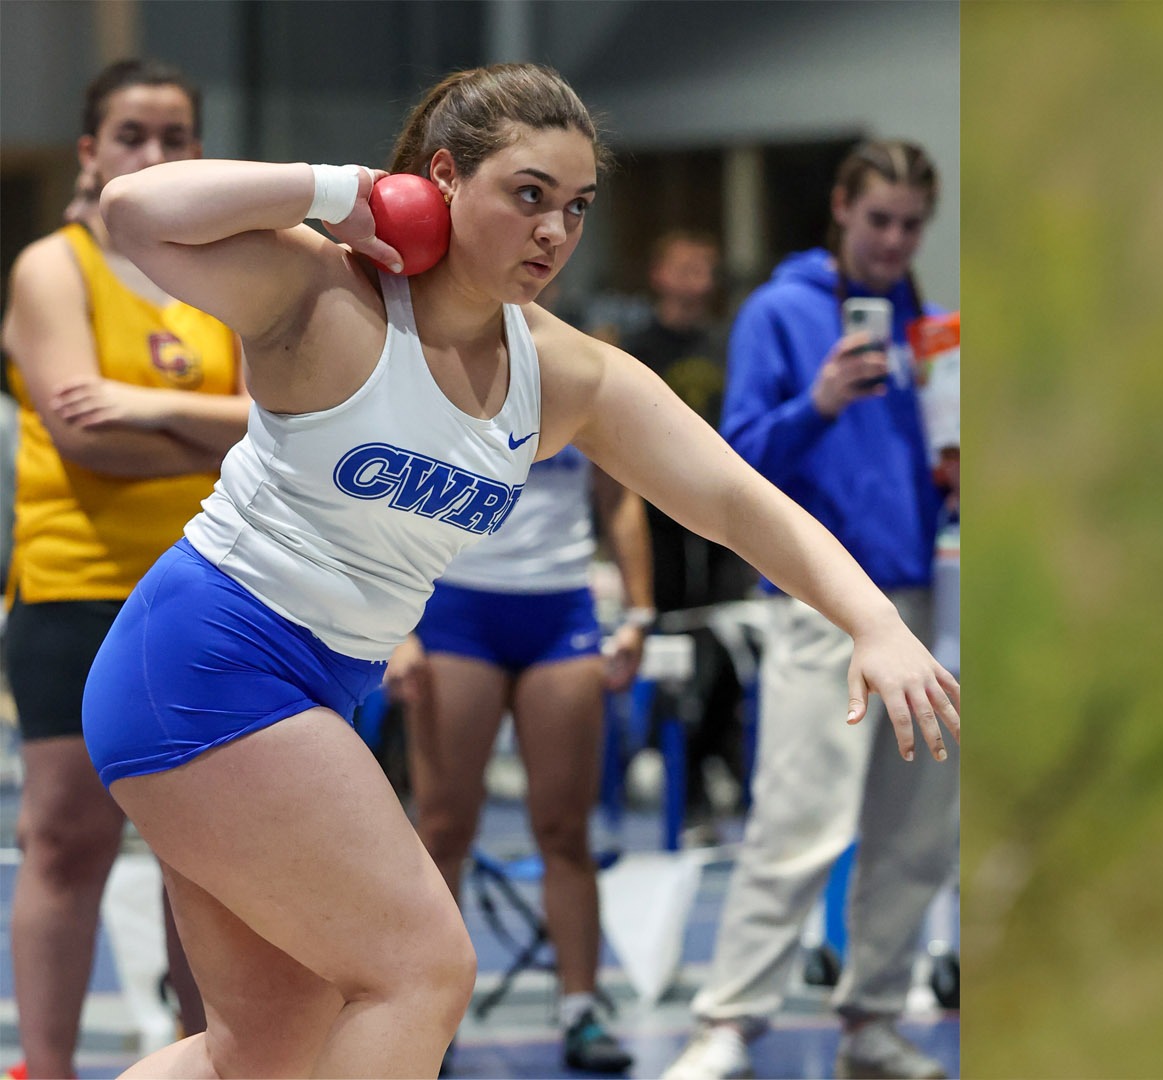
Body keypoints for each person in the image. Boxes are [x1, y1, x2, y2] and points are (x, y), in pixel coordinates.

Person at [81, 63, 958, 1078]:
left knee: (263, 1054)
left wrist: (875, 624)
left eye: (577, 208)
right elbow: (136, 213)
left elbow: (730, 498)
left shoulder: (561, 372)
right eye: (529, 195)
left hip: (316, 684)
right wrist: (344, 193)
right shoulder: (324, 292)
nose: (555, 231)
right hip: (208, 661)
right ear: (443, 179)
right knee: (425, 969)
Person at [664, 140, 956, 1080]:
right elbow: (733, 461)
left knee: (915, 828)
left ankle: (871, 1019)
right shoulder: (779, 314)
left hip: (923, 597)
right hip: (821, 602)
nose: (894, 241)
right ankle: (730, 1023)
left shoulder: (926, 324)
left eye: (912, 225)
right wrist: (819, 401)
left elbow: (910, 465)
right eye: (879, 220)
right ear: (840, 208)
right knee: (799, 821)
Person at [1, 57, 249, 1078]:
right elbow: (83, 434)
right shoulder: (51, 268)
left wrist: (151, 411)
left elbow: (289, 427)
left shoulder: (229, 272)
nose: (155, 156)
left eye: (176, 138)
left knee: (210, 861)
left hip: (206, 590)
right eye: (134, 137)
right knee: (68, 842)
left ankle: (217, 1061)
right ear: (91, 153)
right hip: (76, 587)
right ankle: (44, 1067)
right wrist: (219, 433)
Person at [394, 439, 654, 1073]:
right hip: (456, 606)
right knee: (443, 827)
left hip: (561, 607)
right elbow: (386, 500)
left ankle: (581, 1008)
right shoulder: (433, 365)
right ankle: (431, 1014)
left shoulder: (578, 370)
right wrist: (397, 627)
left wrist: (641, 612)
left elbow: (620, 494)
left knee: (566, 829)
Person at [625, 229, 755, 840]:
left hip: (724, 511)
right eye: (685, 266)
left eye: (706, 267)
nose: (697, 279)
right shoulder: (634, 348)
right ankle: (678, 773)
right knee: (674, 644)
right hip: (658, 516)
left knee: (730, 640)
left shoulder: (728, 347)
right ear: (659, 275)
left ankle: (719, 758)